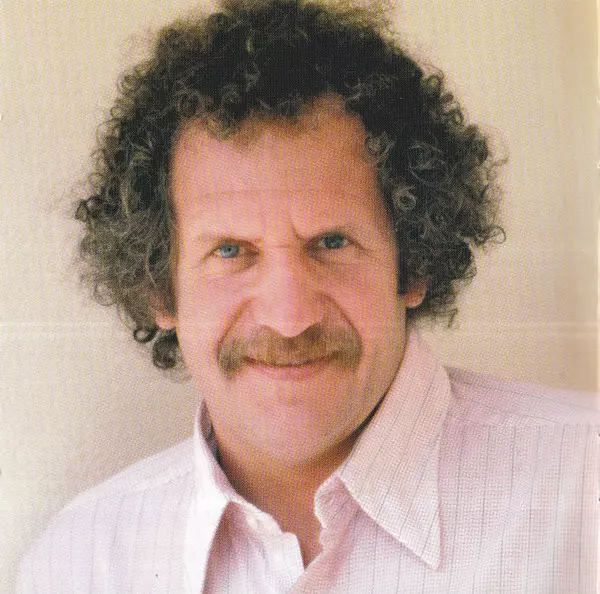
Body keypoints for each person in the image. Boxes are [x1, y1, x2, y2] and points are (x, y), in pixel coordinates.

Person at [17, 0, 599, 592]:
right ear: (160, 286)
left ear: (414, 264)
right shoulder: (76, 565)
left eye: (331, 242)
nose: (289, 318)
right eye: (230, 251)